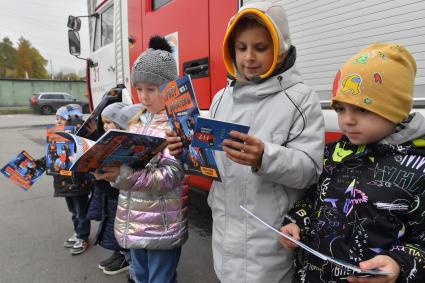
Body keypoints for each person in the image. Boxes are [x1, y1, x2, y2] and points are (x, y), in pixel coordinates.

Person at [166, 2, 325, 282]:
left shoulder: (301, 99)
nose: (249, 57)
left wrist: (265, 156)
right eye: (241, 48)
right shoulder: (220, 98)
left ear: (281, 48)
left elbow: (310, 170)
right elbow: (208, 163)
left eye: (260, 47)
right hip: (225, 236)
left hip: (272, 240)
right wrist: (184, 151)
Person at [279, 43, 425, 283]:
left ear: (396, 109)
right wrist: (297, 222)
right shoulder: (334, 152)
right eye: (340, 108)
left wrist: (399, 264)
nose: (347, 121)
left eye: (362, 110)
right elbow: (314, 197)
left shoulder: (418, 168)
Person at [93, 36, 187, 283]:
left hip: (161, 226)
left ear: (169, 87)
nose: (144, 96)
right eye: (139, 89)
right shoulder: (137, 122)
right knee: (139, 276)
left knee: (159, 279)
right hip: (133, 223)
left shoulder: (175, 125)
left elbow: (170, 176)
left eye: (151, 89)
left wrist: (123, 176)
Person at [86, 102, 140, 276]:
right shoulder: (107, 143)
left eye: (109, 122)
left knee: (123, 233)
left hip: (121, 197)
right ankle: (123, 256)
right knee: (114, 228)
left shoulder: (128, 147)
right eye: (104, 122)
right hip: (109, 195)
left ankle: (127, 260)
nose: (105, 126)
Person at [54, 104, 92, 255]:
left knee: (80, 212)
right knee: (73, 211)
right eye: (56, 119)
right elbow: (54, 158)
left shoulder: (81, 138)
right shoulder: (58, 137)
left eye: (61, 119)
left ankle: (83, 237)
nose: (57, 122)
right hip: (64, 183)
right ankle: (78, 232)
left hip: (78, 184)